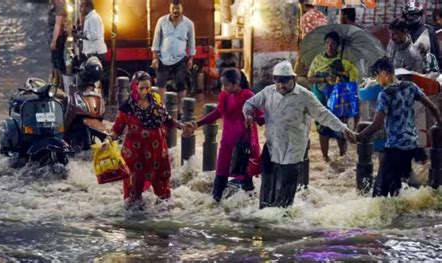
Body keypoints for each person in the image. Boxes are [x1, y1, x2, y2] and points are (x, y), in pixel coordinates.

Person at [243, 60, 357, 209]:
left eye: (285, 82)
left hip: (293, 150)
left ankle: (282, 220)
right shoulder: (268, 92)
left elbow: (323, 115)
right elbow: (249, 104)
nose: (281, 86)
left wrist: (344, 129)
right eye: (278, 82)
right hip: (272, 146)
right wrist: (248, 115)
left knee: (286, 189)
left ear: (294, 79)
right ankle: (264, 218)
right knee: (267, 184)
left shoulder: (305, 96)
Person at [357, 58, 441, 197]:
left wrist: (359, 136)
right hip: (411, 146)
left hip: (395, 148)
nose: (377, 81)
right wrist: (438, 125)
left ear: (384, 74)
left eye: (377, 76)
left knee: (379, 193)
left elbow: (377, 125)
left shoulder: (385, 95)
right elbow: (434, 109)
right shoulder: (411, 86)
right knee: (397, 187)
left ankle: (386, 217)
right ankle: (400, 216)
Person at [183, 68, 263, 202]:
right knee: (220, 174)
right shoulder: (225, 96)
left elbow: (261, 115)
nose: (223, 87)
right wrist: (197, 124)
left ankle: (250, 209)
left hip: (243, 144)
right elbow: (217, 113)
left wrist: (253, 117)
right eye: (222, 84)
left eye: (226, 85)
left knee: (245, 179)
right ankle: (215, 204)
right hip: (227, 142)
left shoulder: (248, 95)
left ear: (236, 83)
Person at [104, 71, 183, 205]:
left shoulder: (156, 100)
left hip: (157, 154)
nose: (145, 91)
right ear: (134, 87)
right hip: (136, 156)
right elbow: (117, 129)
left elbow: (167, 119)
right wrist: (108, 140)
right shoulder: (127, 108)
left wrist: (181, 125)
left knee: (164, 193)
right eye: (141, 88)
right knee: (134, 195)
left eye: (148, 88)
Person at [307, 31, 359, 162]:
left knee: (341, 127)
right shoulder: (318, 60)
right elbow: (310, 78)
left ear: (338, 46)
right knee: (322, 128)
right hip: (321, 99)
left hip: (338, 102)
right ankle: (325, 157)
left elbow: (352, 80)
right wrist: (325, 79)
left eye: (333, 43)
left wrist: (342, 73)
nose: (329, 46)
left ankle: (343, 156)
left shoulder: (344, 62)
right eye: (327, 43)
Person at [151, 0, 196, 116]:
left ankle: (180, 110)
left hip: (180, 58)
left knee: (181, 83)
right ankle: (162, 108)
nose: (176, 12)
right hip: (163, 58)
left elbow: (191, 43)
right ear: (170, 9)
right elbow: (156, 41)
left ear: (181, 10)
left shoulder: (189, 24)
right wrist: (155, 58)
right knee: (161, 83)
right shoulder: (162, 21)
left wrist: (191, 58)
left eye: (178, 10)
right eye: (173, 9)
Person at [402, 2, 441, 67]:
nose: (410, 18)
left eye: (413, 15)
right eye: (408, 15)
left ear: (419, 15)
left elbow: (436, 56)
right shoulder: (401, 30)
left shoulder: (428, 31)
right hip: (403, 69)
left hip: (423, 72)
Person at [48, 0, 67, 87]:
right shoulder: (53, 3)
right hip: (54, 34)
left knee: (57, 59)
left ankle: (59, 83)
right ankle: (56, 80)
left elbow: (58, 24)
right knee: (55, 59)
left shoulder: (59, 4)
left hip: (58, 36)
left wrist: (54, 41)